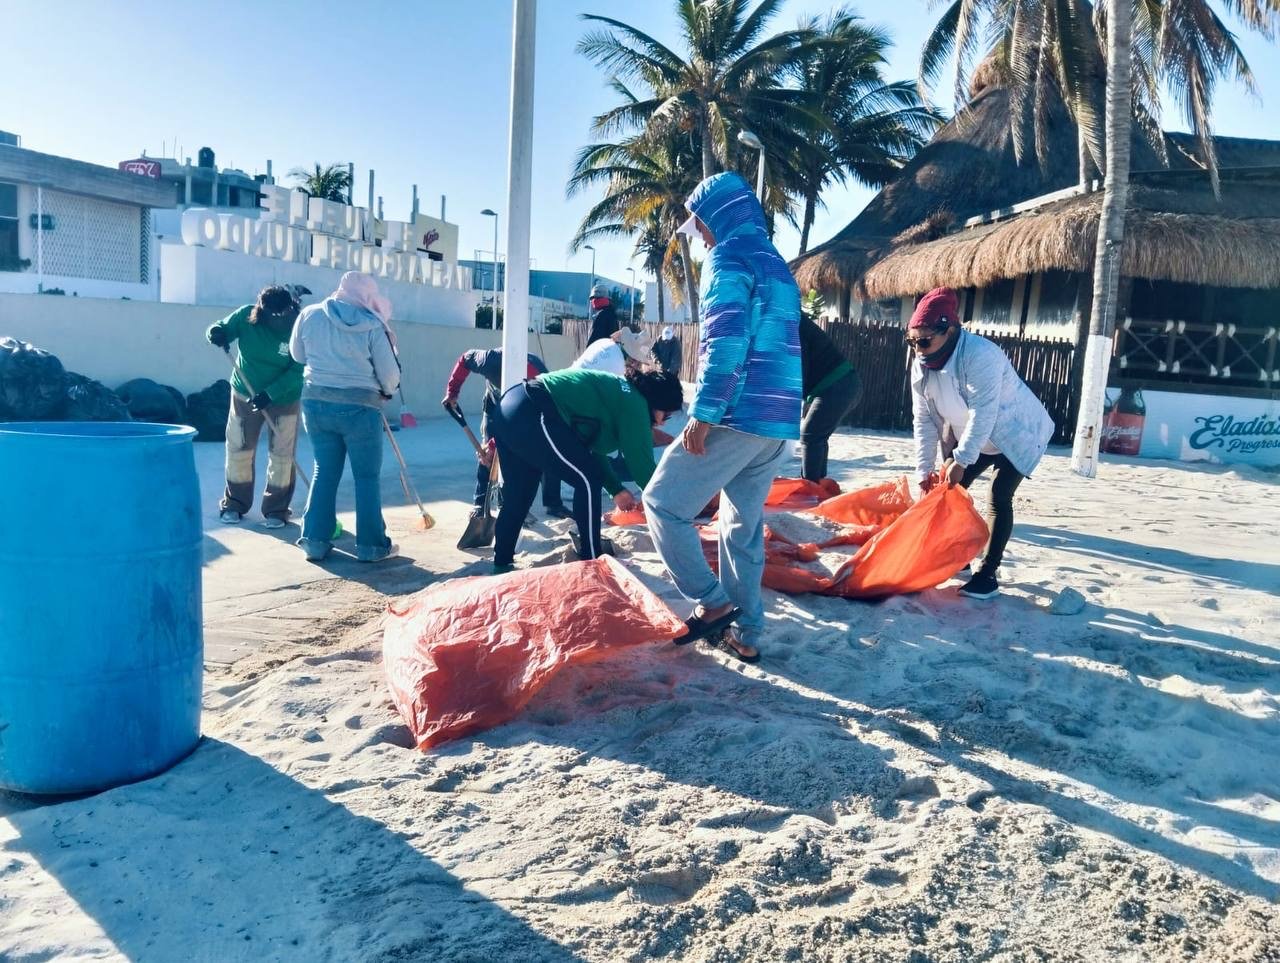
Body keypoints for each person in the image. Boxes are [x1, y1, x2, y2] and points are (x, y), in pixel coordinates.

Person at [643, 172, 802, 664]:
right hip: (777, 421)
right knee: (741, 526)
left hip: (738, 413)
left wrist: (703, 415)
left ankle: (713, 605)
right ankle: (748, 633)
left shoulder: (728, 258)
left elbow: (728, 343)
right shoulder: (777, 264)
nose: (701, 236)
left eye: (702, 225)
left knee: (662, 503)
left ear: (718, 217)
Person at [908, 287, 1054, 599]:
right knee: (949, 492)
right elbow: (923, 420)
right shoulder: (921, 364)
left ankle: (988, 574)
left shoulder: (981, 355)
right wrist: (923, 471)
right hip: (972, 436)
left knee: (999, 495)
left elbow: (983, 412)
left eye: (924, 340)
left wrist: (960, 461)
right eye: (912, 341)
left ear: (948, 331)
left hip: (1013, 433)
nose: (918, 349)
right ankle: (957, 557)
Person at [489, 367, 683, 575]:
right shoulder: (635, 404)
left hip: (511, 406)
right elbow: (642, 467)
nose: (663, 422)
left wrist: (615, 489)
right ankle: (592, 559)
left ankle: (501, 564)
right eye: (667, 415)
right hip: (535, 409)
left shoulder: (620, 394)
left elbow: (591, 450)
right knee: (588, 482)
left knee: (519, 496)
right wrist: (674, 510)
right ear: (656, 402)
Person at [289, 272, 402, 563]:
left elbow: (297, 356)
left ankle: (314, 541)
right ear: (367, 296)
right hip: (360, 408)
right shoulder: (373, 325)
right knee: (366, 477)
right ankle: (372, 547)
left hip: (315, 402)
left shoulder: (309, 314)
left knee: (324, 471)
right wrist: (387, 391)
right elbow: (389, 375)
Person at [206, 285, 304, 529]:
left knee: (282, 455)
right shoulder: (247, 316)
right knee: (239, 447)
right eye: (267, 312)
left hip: (284, 398)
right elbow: (222, 328)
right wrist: (215, 332)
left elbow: (300, 369)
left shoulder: (298, 327)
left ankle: (276, 510)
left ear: (288, 308)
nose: (273, 318)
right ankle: (234, 503)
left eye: (278, 314)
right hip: (244, 392)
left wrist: (270, 394)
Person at [444, 347, 569, 519]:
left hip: (526, 412)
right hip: (494, 403)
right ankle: (481, 504)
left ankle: (553, 504)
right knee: (487, 454)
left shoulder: (541, 387)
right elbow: (465, 359)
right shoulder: (490, 360)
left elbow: (520, 428)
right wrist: (452, 392)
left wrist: (496, 443)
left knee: (548, 447)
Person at [798, 316, 861, 482]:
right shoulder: (792, 317)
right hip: (839, 384)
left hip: (838, 384)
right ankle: (817, 485)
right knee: (816, 436)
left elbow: (799, 367)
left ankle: (811, 488)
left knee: (810, 435)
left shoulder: (793, 322)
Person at [571, 327, 653, 377]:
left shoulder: (604, 341)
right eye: (638, 364)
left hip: (569, 375)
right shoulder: (618, 366)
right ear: (633, 360)